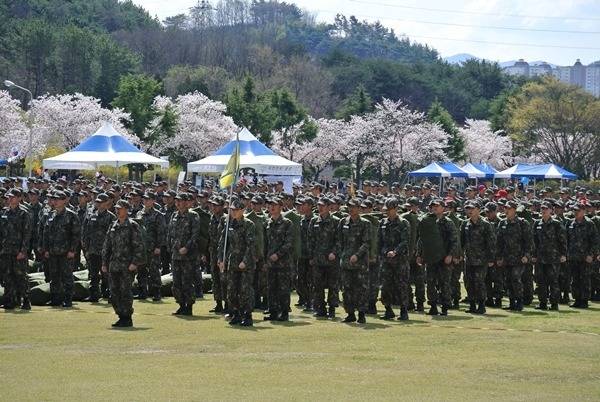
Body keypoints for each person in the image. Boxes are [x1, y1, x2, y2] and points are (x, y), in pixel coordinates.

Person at [101, 200, 145, 328]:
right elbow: (107, 245)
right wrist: (104, 262)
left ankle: (127, 317)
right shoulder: (113, 225)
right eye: (116, 208)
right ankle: (120, 315)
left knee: (125, 291)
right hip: (114, 265)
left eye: (120, 208)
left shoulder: (133, 225)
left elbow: (139, 246)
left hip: (127, 265)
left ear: (126, 210)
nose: (117, 210)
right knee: (114, 292)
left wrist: (135, 263)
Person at [417, 199, 459, 316]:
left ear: (443, 208)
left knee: (444, 282)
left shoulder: (448, 222)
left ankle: (445, 306)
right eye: (432, 206)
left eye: (436, 206)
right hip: (430, 257)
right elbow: (422, 239)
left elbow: (454, 240)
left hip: (444, 257)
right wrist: (419, 254)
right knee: (430, 282)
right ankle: (433, 305)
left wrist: (450, 254)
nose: (434, 208)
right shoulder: (427, 221)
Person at [218, 198, 256, 326]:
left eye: (236, 210)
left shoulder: (249, 224)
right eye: (232, 210)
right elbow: (223, 243)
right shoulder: (229, 224)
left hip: (245, 264)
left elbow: (251, 246)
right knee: (232, 290)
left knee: (245, 290)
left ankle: (247, 315)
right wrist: (221, 259)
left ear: (242, 210)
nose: (233, 212)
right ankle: (236, 313)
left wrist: (245, 261)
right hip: (232, 262)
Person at [42, 190, 80, 308]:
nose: (55, 201)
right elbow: (46, 233)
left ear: (64, 200)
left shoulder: (71, 215)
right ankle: (55, 299)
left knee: (67, 277)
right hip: (53, 252)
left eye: (58, 199)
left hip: (65, 252)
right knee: (54, 277)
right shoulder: (51, 215)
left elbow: (76, 234)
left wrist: (72, 250)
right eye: (54, 199)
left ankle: (67, 299)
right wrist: (46, 249)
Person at [336, 199, 371, 324]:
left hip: (360, 263)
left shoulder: (365, 223)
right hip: (346, 262)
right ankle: (350, 313)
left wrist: (357, 255)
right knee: (347, 288)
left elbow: (366, 243)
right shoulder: (343, 222)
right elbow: (339, 241)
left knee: (361, 288)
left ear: (359, 208)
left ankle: (361, 314)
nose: (351, 209)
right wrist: (342, 254)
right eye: (349, 206)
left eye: (353, 207)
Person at [378, 198, 411, 321]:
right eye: (386, 209)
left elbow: (405, 241)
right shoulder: (382, 223)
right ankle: (388, 310)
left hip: (400, 260)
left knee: (401, 285)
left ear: (396, 209)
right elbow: (379, 241)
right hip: (386, 260)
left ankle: (403, 311)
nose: (387, 212)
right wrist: (379, 254)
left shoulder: (403, 223)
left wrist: (395, 252)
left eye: (390, 210)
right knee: (385, 286)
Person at [167, 193, 200, 316]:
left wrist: (186, 247)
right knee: (176, 282)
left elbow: (195, 234)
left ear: (187, 202)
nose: (178, 203)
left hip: (188, 255)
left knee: (187, 281)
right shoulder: (174, 216)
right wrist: (170, 247)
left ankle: (189, 306)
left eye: (180, 201)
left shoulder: (193, 216)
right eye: (177, 201)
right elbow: (170, 233)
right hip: (176, 255)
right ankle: (181, 304)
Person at [461, 201, 496, 315]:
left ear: (478, 209)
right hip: (469, 259)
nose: (469, 211)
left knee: (479, 282)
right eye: (467, 208)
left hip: (481, 260)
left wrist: (491, 259)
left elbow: (491, 243)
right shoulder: (465, 224)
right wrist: (459, 254)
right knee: (468, 282)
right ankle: (472, 304)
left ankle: (481, 305)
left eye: (472, 208)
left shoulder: (486, 225)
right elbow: (461, 242)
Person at [496, 200, 532, 311]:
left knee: (516, 279)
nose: (506, 210)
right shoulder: (502, 223)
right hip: (506, 258)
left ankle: (519, 301)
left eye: (509, 208)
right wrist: (499, 257)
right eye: (505, 208)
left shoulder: (522, 223)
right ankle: (512, 302)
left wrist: (526, 255)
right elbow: (499, 242)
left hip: (519, 258)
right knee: (508, 280)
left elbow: (529, 242)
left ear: (514, 210)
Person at [0, 188, 33, 310]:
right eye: (9, 197)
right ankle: (10, 300)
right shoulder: (4, 213)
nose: (10, 199)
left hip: (18, 251)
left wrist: (23, 251)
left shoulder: (24, 214)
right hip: (6, 250)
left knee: (21, 276)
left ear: (19, 198)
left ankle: (26, 299)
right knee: (7, 276)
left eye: (13, 197)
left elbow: (27, 234)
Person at [532, 202, 567, 311]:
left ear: (551, 210)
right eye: (542, 208)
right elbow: (534, 241)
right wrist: (534, 255)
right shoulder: (537, 223)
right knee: (541, 281)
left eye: (546, 209)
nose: (543, 211)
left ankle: (554, 303)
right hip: (540, 258)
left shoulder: (557, 224)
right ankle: (542, 302)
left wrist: (563, 254)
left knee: (553, 281)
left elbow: (563, 240)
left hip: (553, 258)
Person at [308, 197, 340, 319]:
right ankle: (320, 308)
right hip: (318, 259)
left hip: (331, 260)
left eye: (323, 206)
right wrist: (311, 256)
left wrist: (334, 252)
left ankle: (332, 308)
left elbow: (339, 240)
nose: (320, 208)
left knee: (333, 285)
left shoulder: (336, 221)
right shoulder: (314, 221)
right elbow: (310, 240)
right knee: (318, 285)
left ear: (329, 207)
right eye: (319, 205)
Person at [81, 193, 115, 302]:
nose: (98, 204)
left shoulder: (111, 217)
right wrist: (86, 248)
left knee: (107, 274)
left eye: (101, 202)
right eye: (97, 202)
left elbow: (113, 236)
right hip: (92, 250)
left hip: (105, 251)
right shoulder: (91, 215)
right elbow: (86, 232)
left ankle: (109, 293)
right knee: (93, 274)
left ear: (106, 203)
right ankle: (94, 294)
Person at [264, 197, 294, 321]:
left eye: (275, 205)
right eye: (270, 205)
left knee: (283, 288)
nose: (272, 207)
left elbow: (288, 243)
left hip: (283, 262)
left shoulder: (287, 223)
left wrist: (278, 254)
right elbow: (264, 243)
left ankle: (284, 312)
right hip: (270, 262)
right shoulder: (267, 223)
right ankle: (273, 312)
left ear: (281, 207)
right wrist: (265, 259)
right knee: (271, 288)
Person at [136, 192, 166, 301]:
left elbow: (161, 232)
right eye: (144, 199)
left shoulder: (158, 215)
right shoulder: (139, 213)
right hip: (141, 248)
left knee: (154, 270)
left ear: (153, 201)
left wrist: (158, 246)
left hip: (153, 248)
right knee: (141, 270)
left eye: (148, 199)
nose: (145, 201)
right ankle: (142, 291)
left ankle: (156, 292)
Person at [566, 204, 598, 309]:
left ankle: (584, 300)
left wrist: (591, 254)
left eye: (578, 210)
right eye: (574, 210)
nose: (576, 212)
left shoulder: (589, 224)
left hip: (585, 257)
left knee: (585, 279)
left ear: (583, 211)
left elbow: (595, 241)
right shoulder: (570, 223)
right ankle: (577, 299)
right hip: (573, 256)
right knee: (575, 279)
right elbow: (566, 240)